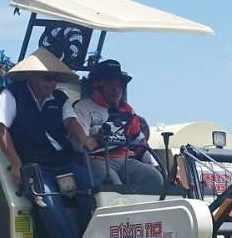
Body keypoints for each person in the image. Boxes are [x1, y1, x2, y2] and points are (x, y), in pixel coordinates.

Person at [0, 48, 95, 238]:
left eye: (55, 79)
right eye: (47, 78)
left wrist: (83, 138)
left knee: (90, 187)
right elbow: (1, 128)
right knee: (46, 198)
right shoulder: (11, 94)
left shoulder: (60, 98)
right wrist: (15, 162)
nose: (52, 84)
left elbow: (70, 121)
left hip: (63, 163)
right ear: (31, 76)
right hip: (34, 165)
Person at [63, 59, 164, 192]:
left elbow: (139, 142)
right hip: (97, 160)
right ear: (97, 85)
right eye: (110, 85)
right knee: (114, 186)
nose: (116, 90)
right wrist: (96, 139)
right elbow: (78, 146)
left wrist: (154, 166)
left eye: (119, 86)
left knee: (155, 178)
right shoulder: (82, 107)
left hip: (126, 160)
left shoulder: (128, 110)